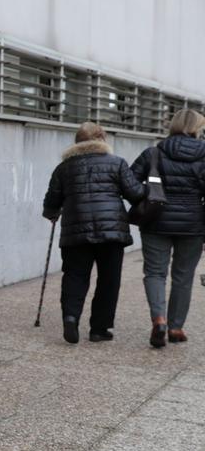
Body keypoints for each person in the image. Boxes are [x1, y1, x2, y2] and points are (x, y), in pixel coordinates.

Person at [42, 122, 144, 344]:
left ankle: (71, 317)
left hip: (75, 230)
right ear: (102, 139)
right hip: (111, 232)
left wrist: (51, 213)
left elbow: (52, 200)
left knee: (75, 276)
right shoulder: (117, 163)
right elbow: (134, 194)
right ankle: (99, 329)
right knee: (109, 280)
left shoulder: (64, 167)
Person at [131, 109, 205, 348]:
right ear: (197, 128)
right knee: (183, 277)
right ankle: (176, 327)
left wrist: (149, 196)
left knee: (155, 273)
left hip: (156, 221)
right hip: (193, 223)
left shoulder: (153, 153)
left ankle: (159, 319)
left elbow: (130, 182)